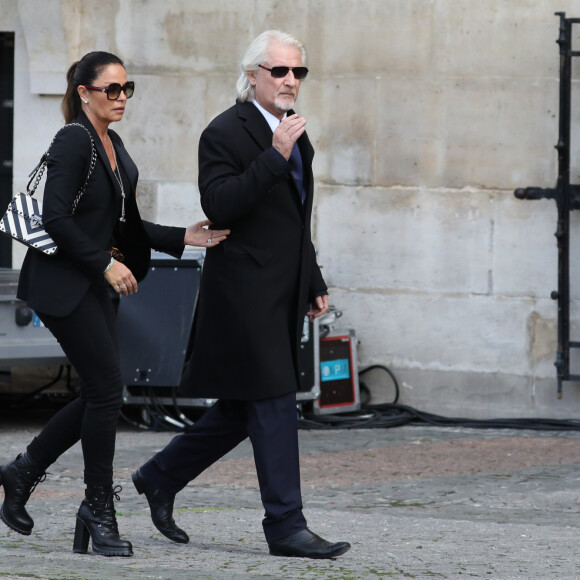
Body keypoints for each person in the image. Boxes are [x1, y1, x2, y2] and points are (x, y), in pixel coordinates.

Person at [132, 31, 351, 559]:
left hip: (282, 290)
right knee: (275, 402)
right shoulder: (225, 131)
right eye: (279, 71)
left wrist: (313, 279)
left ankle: (160, 476)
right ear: (252, 75)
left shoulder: (296, 133)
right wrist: (274, 157)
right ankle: (285, 527)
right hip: (243, 291)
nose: (291, 81)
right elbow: (221, 204)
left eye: (298, 72)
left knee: (240, 409)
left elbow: (294, 218)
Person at [0, 51, 228, 558]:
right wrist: (104, 264)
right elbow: (56, 218)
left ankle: (23, 471)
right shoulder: (73, 139)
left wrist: (180, 236)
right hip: (65, 283)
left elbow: (119, 224)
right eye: (111, 89)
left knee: (103, 391)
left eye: (127, 89)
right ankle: (97, 508)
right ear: (84, 93)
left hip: (93, 284)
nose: (122, 98)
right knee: (106, 390)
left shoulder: (112, 143)